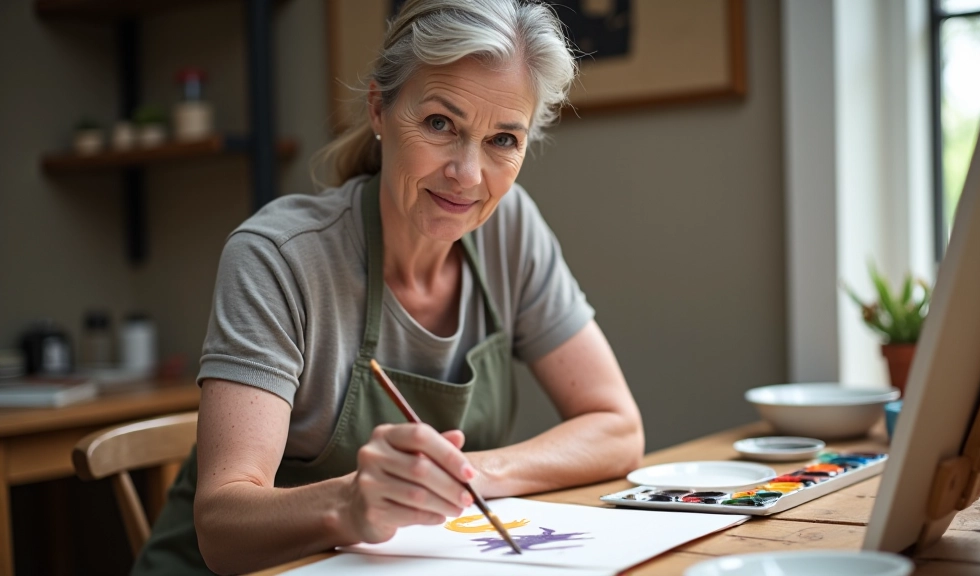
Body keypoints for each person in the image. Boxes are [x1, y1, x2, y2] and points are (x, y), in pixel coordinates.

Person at [133, 1, 644, 574]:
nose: (468, 175)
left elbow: (617, 427)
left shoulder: (510, 229)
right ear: (379, 109)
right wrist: (350, 502)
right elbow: (222, 530)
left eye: (503, 139)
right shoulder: (277, 258)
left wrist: (464, 476)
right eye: (439, 124)